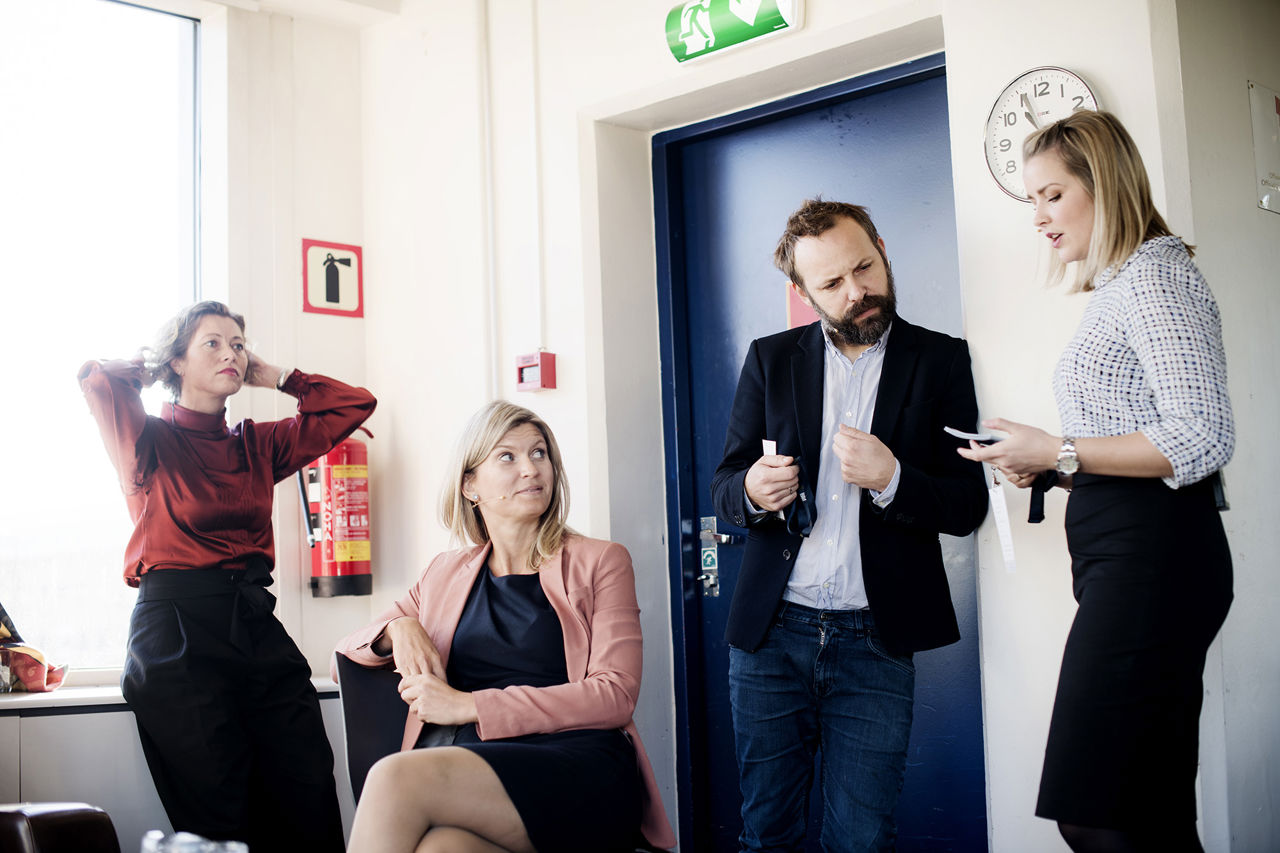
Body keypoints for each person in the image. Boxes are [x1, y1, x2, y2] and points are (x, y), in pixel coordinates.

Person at [958, 110, 1233, 853]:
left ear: (1101, 183)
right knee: (1149, 811)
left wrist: (1062, 448)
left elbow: (1202, 436)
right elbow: (1139, 441)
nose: (1039, 218)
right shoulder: (1124, 284)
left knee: (1100, 813)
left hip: (1156, 560)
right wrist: (1047, 462)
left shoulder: (1156, 275)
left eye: (1051, 194)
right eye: (1032, 202)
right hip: (1134, 554)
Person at [710, 198, 989, 852]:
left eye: (864, 267)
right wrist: (750, 488)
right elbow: (724, 488)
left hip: (877, 640)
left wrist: (894, 476)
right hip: (771, 636)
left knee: (861, 839)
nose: (858, 291)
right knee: (766, 834)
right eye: (832, 283)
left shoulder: (941, 360)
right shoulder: (770, 359)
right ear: (803, 293)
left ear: (883, 248)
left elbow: (967, 503)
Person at [79, 300, 376, 851]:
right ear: (177, 362)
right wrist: (149, 364)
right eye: (211, 343)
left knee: (308, 783)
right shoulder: (147, 442)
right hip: (177, 634)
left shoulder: (255, 443)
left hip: (255, 623)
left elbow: (353, 405)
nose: (230, 353)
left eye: (238, 344)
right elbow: (98, 381)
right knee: (222, 811)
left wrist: (276, 376)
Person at [335, 400, 675, 853]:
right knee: (443, 849)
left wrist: (471, 706)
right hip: (477, 763)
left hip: (577, 764)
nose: (531, 469)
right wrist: (398, 627)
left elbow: (615, 694)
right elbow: (348, 655)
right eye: (507, 457)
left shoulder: (601, 561)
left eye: (539, 453)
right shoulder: (444, 572)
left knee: (392, 778)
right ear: (470, 485)